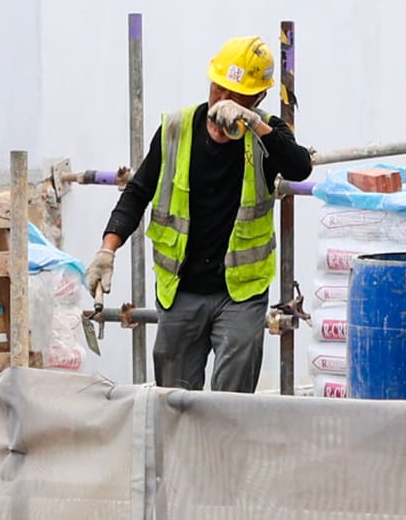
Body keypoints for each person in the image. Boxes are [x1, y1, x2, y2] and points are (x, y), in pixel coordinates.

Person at [85, 35, 313, 392]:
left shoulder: (265, 133)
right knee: (174, 401)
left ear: (257, 99)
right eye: (219, 89)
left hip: (240, 293)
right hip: (182, 290)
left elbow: (299, 167)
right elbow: (138, 192)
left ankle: (224, 450)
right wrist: (107, 250)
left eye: (237, 96)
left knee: (230, 404)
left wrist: (252, 122)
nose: (223, 102)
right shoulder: (176, 129)